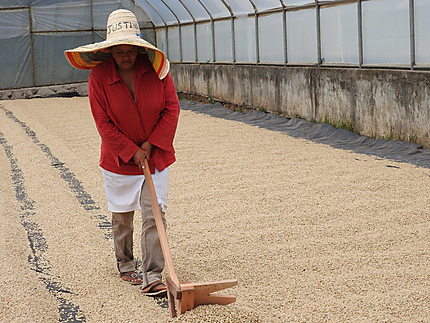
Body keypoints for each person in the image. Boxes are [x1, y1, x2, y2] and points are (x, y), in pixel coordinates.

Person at [64, 9, 180, 297]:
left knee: (155, 214)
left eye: (131, 50)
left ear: (140, 49)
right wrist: (131, 151)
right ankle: (125, 263)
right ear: (110, 50)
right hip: (118, 160)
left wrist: (150, 146)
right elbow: (103, 123)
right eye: (120, 51)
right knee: (122, 216)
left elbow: (171, 109)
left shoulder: (157, 71)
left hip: (155, 156)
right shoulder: (99, 78)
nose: (126, 56)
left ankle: (153, 274)